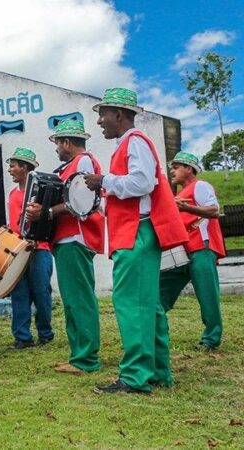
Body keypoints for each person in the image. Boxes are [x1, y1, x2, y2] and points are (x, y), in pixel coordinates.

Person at [85, 88, 188, 394]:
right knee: (147, 304)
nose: (100, 120)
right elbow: (133, 191)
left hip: (137, 233)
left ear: (119, 114)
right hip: (135, 230)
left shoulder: (135, 141)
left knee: (131, 303)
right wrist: (104, 197)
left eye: (103, 114)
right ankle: (156, 371)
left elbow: (144, 182)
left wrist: (104, 181)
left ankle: (134, 376)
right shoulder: (127, 144)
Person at [25, 120, 104, 374]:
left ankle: (86, 359)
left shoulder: (83, 162)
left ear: (67, 142)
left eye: (58, 143)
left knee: (79, 299)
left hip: (75, 236)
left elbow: (79, 200)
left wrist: (45, 212)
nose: (57, 148)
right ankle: (78, 354)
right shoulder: (71, 165)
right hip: (67, 237)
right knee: (72, 299)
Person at [160, 151, 226, 351]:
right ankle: (156, 332)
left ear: (189, 169)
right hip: (181, 251)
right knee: (159, 293)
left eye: (177, 167)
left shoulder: (200, 186)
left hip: (201, 247)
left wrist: (185, 209)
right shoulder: (178, 196)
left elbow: (214, 211)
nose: (172, 171)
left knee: (207, 295)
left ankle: (211, 340)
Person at [6, 148, 55, 350]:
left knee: (41, 291)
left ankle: (45, 333)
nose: (9, 170)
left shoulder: (40, 193)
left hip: (40, 248)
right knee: (19, 292)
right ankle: (22, 337)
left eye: (13, 166)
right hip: (18, 250)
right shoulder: (12, 194)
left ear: (24, 167)